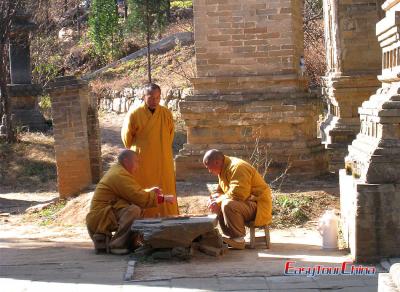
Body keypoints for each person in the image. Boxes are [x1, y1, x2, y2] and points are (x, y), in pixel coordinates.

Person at [86, 150, 175, 255]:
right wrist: (164, 198)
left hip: (103, 214)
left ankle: (129, 242)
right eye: (136, 162)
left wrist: (149, 192)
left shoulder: (119, 171)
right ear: (126, 161)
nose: (137, 166)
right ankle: (117, 245)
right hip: (100, 217)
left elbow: (132, 194)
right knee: (134, 210)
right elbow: (138, 197)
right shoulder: (119, 174)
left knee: (136, 207)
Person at [121, 83, 178, 218]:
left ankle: (168, 218)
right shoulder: (135, 113)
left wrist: (161, 148)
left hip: (163, 159)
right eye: (151, 98)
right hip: (143, 160)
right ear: (143, 96)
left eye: (158, 98)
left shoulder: (165, 113)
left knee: (166, 188)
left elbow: (170, 135)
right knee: (144, 189)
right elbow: (127, 139)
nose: (155, 101)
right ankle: (144, 219)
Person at [203, 149, 272, 250]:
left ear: (217, 162)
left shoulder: (237, 167)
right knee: (218, 202)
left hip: (258, 207)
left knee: (228, 204)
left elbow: (239, 194)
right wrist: (214, 198)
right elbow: (221, 191)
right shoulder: (224, 168)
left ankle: (239, 240)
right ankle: (232, 236)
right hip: (246, 205)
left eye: (209, 168)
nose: (209, 171)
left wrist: (219, 199)